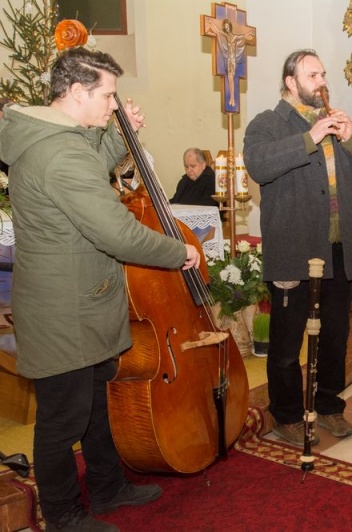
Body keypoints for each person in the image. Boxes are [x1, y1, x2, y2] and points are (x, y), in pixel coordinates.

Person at [0, 48, 201, 531]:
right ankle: (64, 516)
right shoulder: (58, 152)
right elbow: (117, 232)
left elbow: (89, 168)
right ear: (76, 92)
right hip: (64, 310)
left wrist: (116, 134)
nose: (114, 104)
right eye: (108, 96)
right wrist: (180, 251)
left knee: (92, 407)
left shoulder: (58, 138)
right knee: (63, 420)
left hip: (79, 301)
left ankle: (108, 489)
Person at [242, 49, 352, 447]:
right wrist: (311, 137)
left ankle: (330, 406)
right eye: (312, 75)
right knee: (287, 342)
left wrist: (350, 137)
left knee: (336, 335)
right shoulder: (268, 123)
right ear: (291, 82)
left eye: (323, 74)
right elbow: (259, 165)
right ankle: (286, 414)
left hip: (338, 249)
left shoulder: (335, 123)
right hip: (294, 248)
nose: (322, 81)